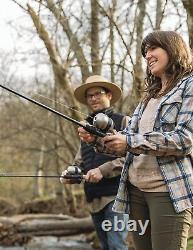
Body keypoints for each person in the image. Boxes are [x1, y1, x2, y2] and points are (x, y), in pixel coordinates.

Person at [78, 31, 193, 250]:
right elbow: (127, 146)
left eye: (153, 49)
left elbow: (184, 140)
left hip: (169, 191)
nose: (147, 55)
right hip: (135, 191)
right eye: (145, 51)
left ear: (173, 49)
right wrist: (96, 140)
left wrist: (130, 142)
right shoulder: (149, 97)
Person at [61, 75, 129, 250]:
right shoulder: (85, 128)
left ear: (109, 95)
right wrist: (71, 174)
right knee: (106, 246)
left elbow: (133, 158)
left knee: (116, 246)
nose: (93, 99)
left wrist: (102, 170)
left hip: (117, 196)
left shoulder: (124, 121)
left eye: (97, 93)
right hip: (93, 198)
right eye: (89, 96)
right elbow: (80, 160)